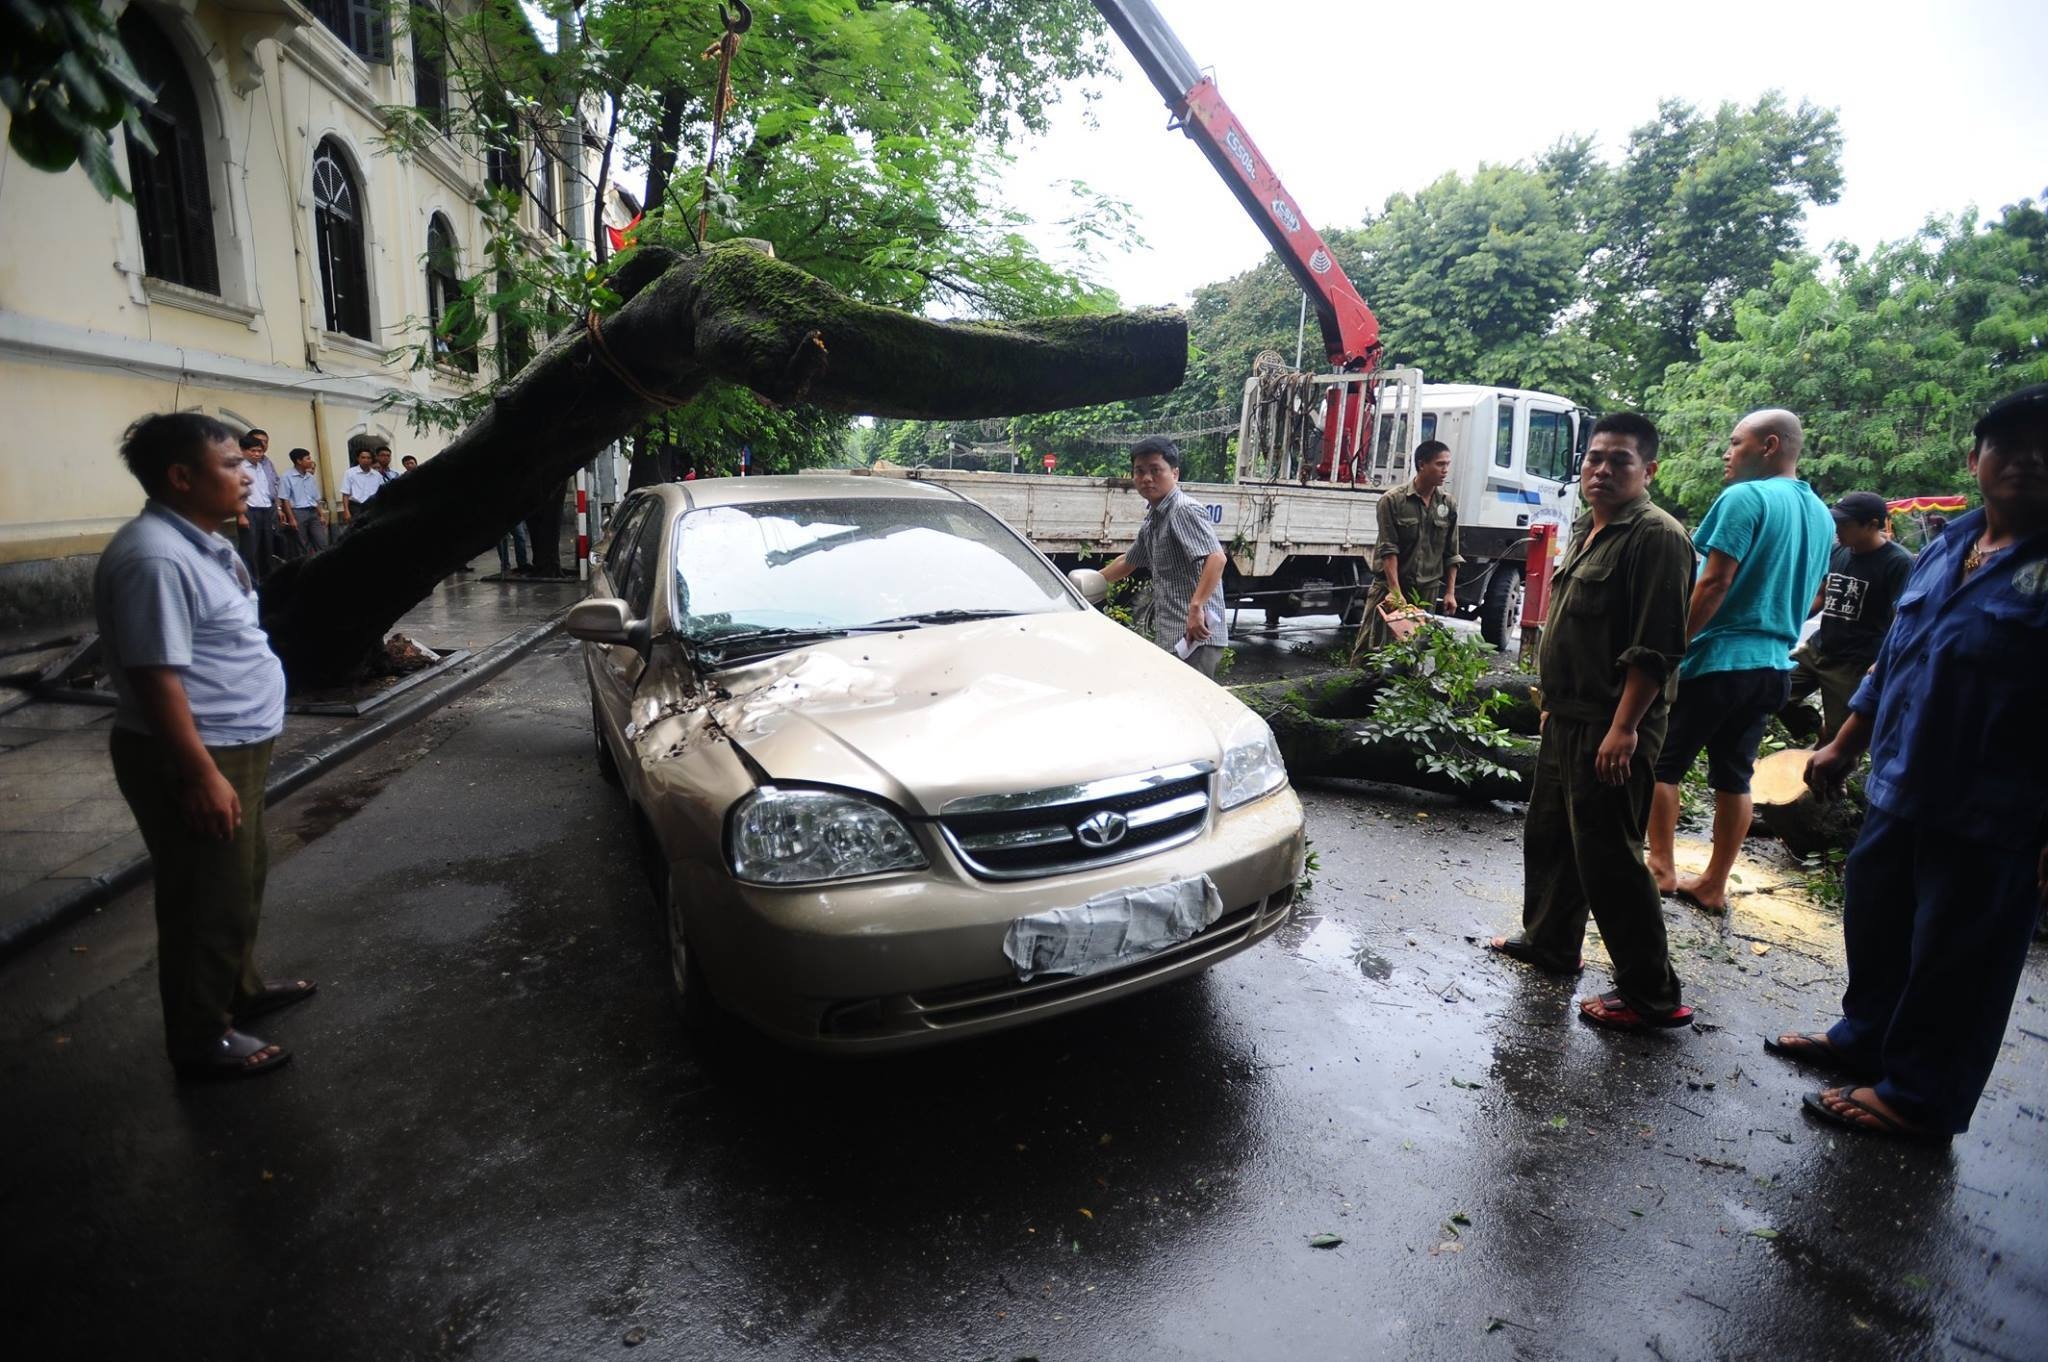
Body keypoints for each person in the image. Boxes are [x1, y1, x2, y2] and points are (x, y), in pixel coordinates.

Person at [1774, 384, 2048, 1141]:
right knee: (1879, 919)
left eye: (2045, 447)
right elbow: (1896, 655)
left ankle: (1920, 1097)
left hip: (1997, 810)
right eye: (2009, 443)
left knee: (1961, 957)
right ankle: (1864, 1039)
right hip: (1900, 781)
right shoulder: (1950, 546)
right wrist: (1841, 742)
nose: (2027, 459)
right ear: (1976, 459)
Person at [94, 412, 312, 1082]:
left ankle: (236, 989)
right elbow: (154, 677)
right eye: (229, 464)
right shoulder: (154, 557)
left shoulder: (199, 541)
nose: (247, 474)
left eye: (245, 463)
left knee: (239, 877)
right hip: (200, 752)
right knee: (203, 895)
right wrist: (197, 775)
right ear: (180, 477)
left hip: (234, 743)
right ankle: (200, 1035)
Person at [1486, 413, 1696, 1031]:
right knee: (1552, 837)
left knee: (1610, 857)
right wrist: (1553, 698)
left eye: (1619, 461)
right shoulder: (1588, 527)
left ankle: (1651, 996)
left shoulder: (1656, 537)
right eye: (1594, 459)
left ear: (1648, 470)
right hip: (1570, 715)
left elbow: (1655, 646)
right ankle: (1550, 944)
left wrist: (1625, 727)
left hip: (1613, 724)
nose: (1602, 470)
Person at [1646, 409, 1834, 913]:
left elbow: (1713, 581)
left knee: (1663, 767)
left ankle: (1661, 868)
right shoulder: (1820, 513)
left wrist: (1672, 647)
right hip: (1774, 666)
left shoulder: (1744, 498)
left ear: (1769, 445)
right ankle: (1712, 883)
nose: (1727, 454)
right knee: (1735, 776)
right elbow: (1815, 594)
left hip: (1718, 661)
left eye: (1736, 443)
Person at [1780, 492, 1914, 744]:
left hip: (1854, 662)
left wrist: (1884, 661)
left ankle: (1830, 780)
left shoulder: (1898, 562)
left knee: (1839, 737)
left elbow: (1904, 618)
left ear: (1872, 524)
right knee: (1775, 691)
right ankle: (1815, 730)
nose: (1837, 529)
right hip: (1818, 649)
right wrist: (1790, 620)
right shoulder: (1837, 551)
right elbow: (1822, 595)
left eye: (1845, 524)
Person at [1100, 436, 1228, 678]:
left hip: (1196, 636)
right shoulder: (1155, 517)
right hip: (1175, 637)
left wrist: (1196, 607)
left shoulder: (1183, 510)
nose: (1147, 478)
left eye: (1155, 470)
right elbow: (1129, 561)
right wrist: (1081, 585)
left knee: (1191, 708)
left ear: (1175, 473)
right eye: (1140, 471)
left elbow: (1216, 558)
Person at [1356, 439, 1461, 653]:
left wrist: (1450, 592)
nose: (1445, 470)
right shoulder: (1392, 501)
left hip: (1426, 591)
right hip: (1391, 588)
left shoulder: (1447, 504)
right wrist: (1395, 592)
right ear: (1422, 465)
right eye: (1440, 464)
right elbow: (1388, 549)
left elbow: (1452, 553)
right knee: (1372, 650)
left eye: (1448, 464)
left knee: (1415, 653)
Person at [234, 430, 282, 581]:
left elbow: (271, 488)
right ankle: (252, 582)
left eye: (260, 451)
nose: (257, 454)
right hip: (249, 511)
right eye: (253, 451)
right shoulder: (239, 468)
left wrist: (277, 508)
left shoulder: (262, 467)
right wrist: (241, 515)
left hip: (266, 509)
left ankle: (268, 579)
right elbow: (236, 492)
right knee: (250, 550)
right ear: (243, 451)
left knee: (267, 548)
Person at [279, 448, 326, 556]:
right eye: (308, 458)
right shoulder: (287, 477)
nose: (310, 461)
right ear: (299, 461)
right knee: (302, 545)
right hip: (298, 513)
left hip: (313, 512)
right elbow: (284, 499)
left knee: (321, 542)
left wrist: (321, 514)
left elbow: (316, 497)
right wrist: (292, 519)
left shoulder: (310, 477)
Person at [341, 447, 382, 523]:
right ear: (358, 459)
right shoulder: (350, 473)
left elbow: (381, 493)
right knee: (358, 531)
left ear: (372, 460)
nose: (366, 460)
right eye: (363, 457)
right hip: (356, 507)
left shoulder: (377, 476)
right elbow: (345, 494)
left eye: (368, 458)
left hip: (372, 508)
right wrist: (346, 511)